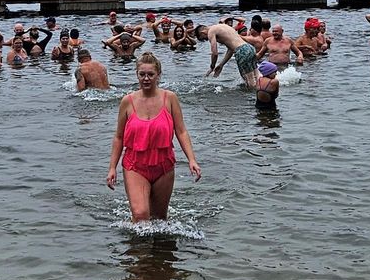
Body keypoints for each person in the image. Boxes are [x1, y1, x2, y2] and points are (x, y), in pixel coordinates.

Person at [106, 52, 201, 222]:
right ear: (137, 75)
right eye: (142, 74)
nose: (146, 79)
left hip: (163, 164)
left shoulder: (170, 98)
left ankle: (159, 249)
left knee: (159, 219)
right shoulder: (127, 101)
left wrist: (191, 160)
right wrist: (112, 168)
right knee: (141, 214)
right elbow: (119, 137)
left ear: (158, 75)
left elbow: (181, 131)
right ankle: (137, 248)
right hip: (135, 164)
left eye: (150, 74)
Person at [195, 22, 259, 88]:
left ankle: (255, 97)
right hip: (250, 48)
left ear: (202, 32)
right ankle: (264, 90)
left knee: (250, 83)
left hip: (242, 52)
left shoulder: (211, 31)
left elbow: (214, 53)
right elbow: (231, 49)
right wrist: (221, 65)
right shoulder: (223, 26)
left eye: (204, 38)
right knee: (257, 77)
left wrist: (212, 67)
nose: (207, 39)